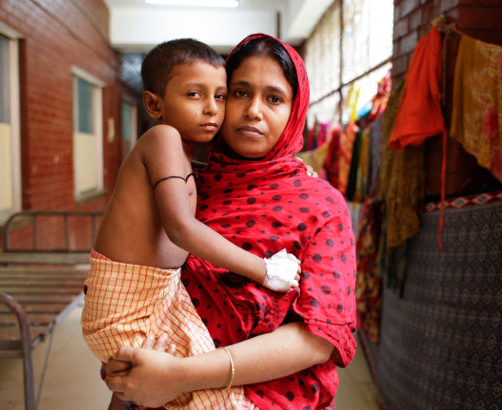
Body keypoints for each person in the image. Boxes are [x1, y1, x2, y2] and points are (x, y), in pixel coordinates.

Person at [105, 33, 357, 410]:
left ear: (295, 110)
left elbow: (318, 337)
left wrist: (180, 375)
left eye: (274, 98)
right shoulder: (183, 188)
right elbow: (141, 294)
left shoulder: (322, 206)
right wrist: (129, 378)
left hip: (267, 398)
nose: (254, 110)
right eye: (239, 93)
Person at [80, 38, 301, 409]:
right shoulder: (163, 138)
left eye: (221, 96)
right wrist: (263, 270)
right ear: (154, 104)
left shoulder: (188, 157)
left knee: (177, 385)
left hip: (160, 297)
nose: (212, 110)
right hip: (128, 302)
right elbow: (180, 228)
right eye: (195, 95)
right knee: (206, 398)